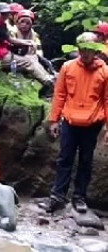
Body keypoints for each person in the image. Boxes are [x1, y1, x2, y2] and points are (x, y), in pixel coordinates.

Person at [43, 32, 108, 213]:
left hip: (92, 123)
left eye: (89, 49)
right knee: (64, 158)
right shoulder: (68, 67)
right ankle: (57, 196)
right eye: (82, 49)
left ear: (96, 51)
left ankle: (79, 197)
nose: (85, 53)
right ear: (78, 49)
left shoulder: (104, 71)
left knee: (86, 161)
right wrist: (54, 120)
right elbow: (60, 94)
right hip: (70, 121)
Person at [0, 11, 54, 95]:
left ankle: (48, 80)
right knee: (29, 61)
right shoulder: (7, 29)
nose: (24, 25)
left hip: (11, 54)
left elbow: (38, 50)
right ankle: (47, 82)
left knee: (34, 59)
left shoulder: (34, 34)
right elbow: (10, 42)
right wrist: (25, 44)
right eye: (22, 22)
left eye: (28, 23)